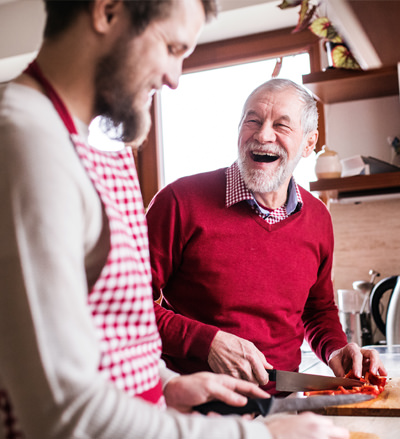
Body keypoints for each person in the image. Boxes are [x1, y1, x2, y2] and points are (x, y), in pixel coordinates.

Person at [0, 1, 351, 438]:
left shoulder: (67, 142)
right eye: (172, 46)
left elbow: (109, 340)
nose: (174, 77)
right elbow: (62, 412)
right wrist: (263, 435)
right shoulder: (25, 142)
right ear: (107, 12)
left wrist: (165, 387)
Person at [146, 78, 387, 392]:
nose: (262, 135)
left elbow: (318, 310)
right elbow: (125, 307)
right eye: (252, 121)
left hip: (282, 405)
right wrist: (207, 342)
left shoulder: (318, 218)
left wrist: (336, 350)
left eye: (282, 126)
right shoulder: (178, 202)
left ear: (309, 143)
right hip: (193, 408)